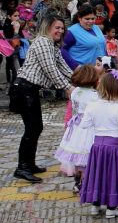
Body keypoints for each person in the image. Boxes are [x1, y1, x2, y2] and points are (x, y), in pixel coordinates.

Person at [10, 15, 73, 182]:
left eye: (62, 28)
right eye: (56, 27)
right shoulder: (43, 42)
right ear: (48, 28)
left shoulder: (53, 46)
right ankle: (22, 167)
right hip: (23, 88)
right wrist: (67, 88)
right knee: (31, 128)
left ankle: (29, 164)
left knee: (36, 127)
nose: (60, 30)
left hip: (30, 89)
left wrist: (81, 80)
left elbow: (64, 68)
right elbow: (51, 70)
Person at [78, 70, 118, 219]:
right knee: (113, 176)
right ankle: (112, 207)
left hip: (97, 146)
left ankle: (95, 205)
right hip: (113, 147)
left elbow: (84, 125)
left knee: (97, 174)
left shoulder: (92, 106)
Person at [54, 65, 100, 190]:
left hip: (75, 127)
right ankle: (86, 182)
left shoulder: (74, 92)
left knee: (75, 154)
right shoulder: (94, 95)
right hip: (88, 128)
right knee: (86, 154)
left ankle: (77, 182)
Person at [61, 5, 107, 69]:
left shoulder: (96, 28)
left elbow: (102, 46)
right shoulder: (72, 32)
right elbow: (62, 49)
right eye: (87, 19)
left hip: (99, 70)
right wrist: (75, 66)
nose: (90, 21)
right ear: (79, 18)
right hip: (83, 72)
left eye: (93, 18)